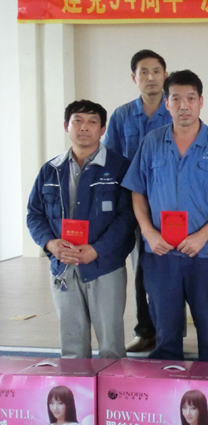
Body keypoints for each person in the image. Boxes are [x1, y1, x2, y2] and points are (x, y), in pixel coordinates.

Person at [122, 70, 208, 362]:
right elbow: (137, 191)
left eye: (190, 98)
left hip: (205, 254)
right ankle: (169, 387)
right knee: (165, 338)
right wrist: (148, 233)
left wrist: (203, 236)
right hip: (161, 253)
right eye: (176, 99)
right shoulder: (152, 142)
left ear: (201, 102)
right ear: (166, 104)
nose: (183, 105)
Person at [27, 100, 135, 359]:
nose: (84, 127)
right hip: (63, 266)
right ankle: (76, 386)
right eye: (77, 121)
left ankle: (111, 386)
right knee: (72, 347)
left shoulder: (120, 167)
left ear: (103, 129)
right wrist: (50, 244)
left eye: (92, 122)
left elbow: (128, 217)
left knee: (111, 346)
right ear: (67, 126)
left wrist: (97, 250)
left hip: (104, 266)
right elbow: (34, 214)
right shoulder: (50, 170)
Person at [105, 49, 172, 353]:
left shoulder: (175, 110)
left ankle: (169, 331)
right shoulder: (121, 116)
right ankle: (145, 331)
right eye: (144, 72)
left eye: (156, 71)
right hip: (132, 203)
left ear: (165, 75)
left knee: (166, 268)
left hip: (167, 205)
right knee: (140, 268)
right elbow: (111, 161)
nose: (151, 77)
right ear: (134, 78)